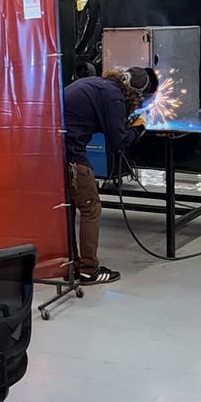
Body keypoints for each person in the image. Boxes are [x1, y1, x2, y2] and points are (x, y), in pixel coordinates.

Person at [62, 66, 147, 284]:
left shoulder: (99, 85)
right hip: (71, 156)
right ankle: (89, 270)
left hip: (53, 154)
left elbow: (96, 122)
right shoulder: (114, 97)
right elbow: (119, 141)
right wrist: (138, 128)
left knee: (67, 209)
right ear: (133, 92)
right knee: (90, 208)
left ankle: (69, 264)